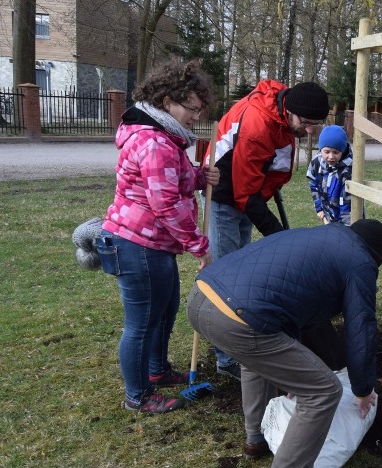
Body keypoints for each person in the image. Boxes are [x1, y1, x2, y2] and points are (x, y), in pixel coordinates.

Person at [186, 219, 382, 468]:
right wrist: (362, 388)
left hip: (202, 297)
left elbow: (291, 300)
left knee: (254, 358)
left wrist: (290, 369)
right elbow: (361, 330)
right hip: (238, 317)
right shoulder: (361, 262)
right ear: (376, 256)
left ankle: (255, 440)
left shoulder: (320, 237)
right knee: (323, 390)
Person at [98, 58, 218, 413]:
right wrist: (198, 244)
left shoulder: (166, 137)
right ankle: (138, 396)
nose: (196, 116)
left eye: (199, 109)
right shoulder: (155, 142)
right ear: (167, 102)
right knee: (143, 323)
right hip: (138, 245)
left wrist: (198, 178)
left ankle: (157, 371)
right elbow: (165, 204)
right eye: (191, 109)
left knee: (164, 312)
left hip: (153, 244)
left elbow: (169, 181)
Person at [207, 80, 330, 380]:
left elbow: (265, 171)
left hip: (249, 194)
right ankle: (226, 358)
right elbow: (243, 193)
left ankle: (238, 344)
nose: (310, 131)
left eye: (316, 124)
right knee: (226, 279)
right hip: (223, 194)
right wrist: (279, 236)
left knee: (244, 270)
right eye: (307, 124)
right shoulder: (257, 124)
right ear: (290, 111)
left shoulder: (283, 111)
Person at [306, 125, 353, 225]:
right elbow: (313, 186)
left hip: (347, 222)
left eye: (336, 152)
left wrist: (345, 228)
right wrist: (319, 209)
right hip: (328, 218)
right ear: (320, 149)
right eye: (326, 152)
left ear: (343, 150)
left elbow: (347, 203)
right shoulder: (316, 163)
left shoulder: (348, 171)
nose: (331, 157)